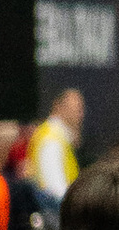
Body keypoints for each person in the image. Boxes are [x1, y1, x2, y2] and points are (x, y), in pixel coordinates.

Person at [23, 86, 85, 216]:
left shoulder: (59, 137)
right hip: (56, 215)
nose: (79, 115)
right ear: (58, 106)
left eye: (80, 109)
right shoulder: (51, 140)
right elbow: (56, 189)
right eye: (74, 109)